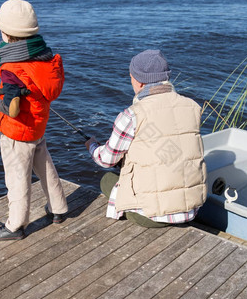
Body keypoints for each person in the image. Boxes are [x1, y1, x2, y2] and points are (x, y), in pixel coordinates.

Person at [0, 0, 68, 241]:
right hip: (38, 127)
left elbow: (13, 108)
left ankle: (15, 226)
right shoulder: (44, 57)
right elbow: (28, 88)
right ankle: (58, 210)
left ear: (6, 33)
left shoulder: (11, 66)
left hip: (17, 133)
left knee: (17, 181)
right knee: (46, 169)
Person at [85, 49, 207, 228]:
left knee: (107, 180)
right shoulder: (192, 107)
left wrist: (92, 146)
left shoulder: (132, 115)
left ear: (140, 81)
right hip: (191, 210)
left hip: (151, 216)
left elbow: (106, 160)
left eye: (131, 77)